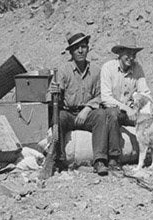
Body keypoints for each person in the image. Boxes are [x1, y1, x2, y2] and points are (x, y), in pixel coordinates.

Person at [51, 32, 121, 176]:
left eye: (83, 47)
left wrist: (88, 108)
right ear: (71, 52)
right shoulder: (63, 71)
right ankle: (59, 160)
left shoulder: (96, 71)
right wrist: (54, 92)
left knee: (101, 115)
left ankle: (99, 160)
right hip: (69, 113)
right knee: (59, 117)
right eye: (76, 48)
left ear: (88, 49)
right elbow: (53, 96)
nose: (80, 51)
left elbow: (101, 95)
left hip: (88, 114)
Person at [99, 40, 151, 168]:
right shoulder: (108, 68)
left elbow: (144, 92)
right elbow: (106, 98)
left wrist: (144, 104)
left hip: (133, 111)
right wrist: (127, 109)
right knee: (112, 115)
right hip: (115, 110)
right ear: (120, 53)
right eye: (128, 54)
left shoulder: (137, 68)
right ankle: (114, 158)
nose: (131, 57)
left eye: (134, 54)